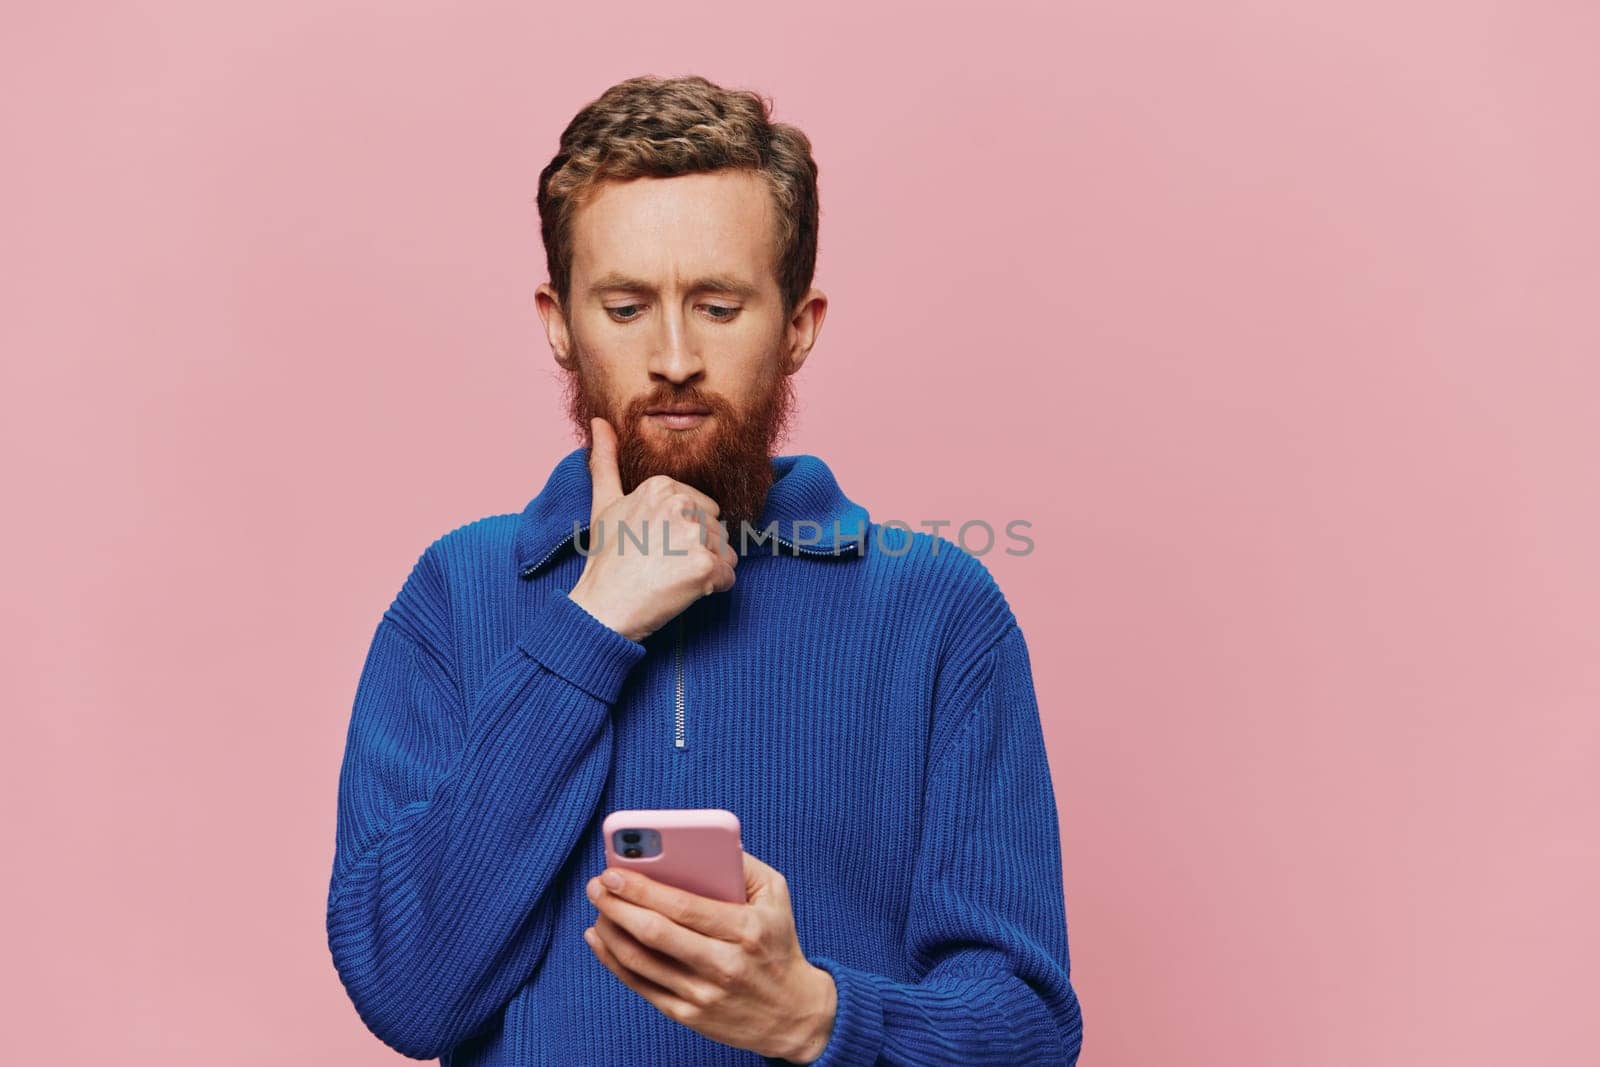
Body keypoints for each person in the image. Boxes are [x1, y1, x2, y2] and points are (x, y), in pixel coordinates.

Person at [325, 73, 1084, 1065]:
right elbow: (406, 992)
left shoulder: (935, 609)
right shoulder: (459, 592)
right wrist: (589, 627)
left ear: (798, 324)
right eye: (628, 304)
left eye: (719, 305)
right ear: (559, 320)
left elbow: (1027, 1027)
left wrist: (816, 1014)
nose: (674, 355)